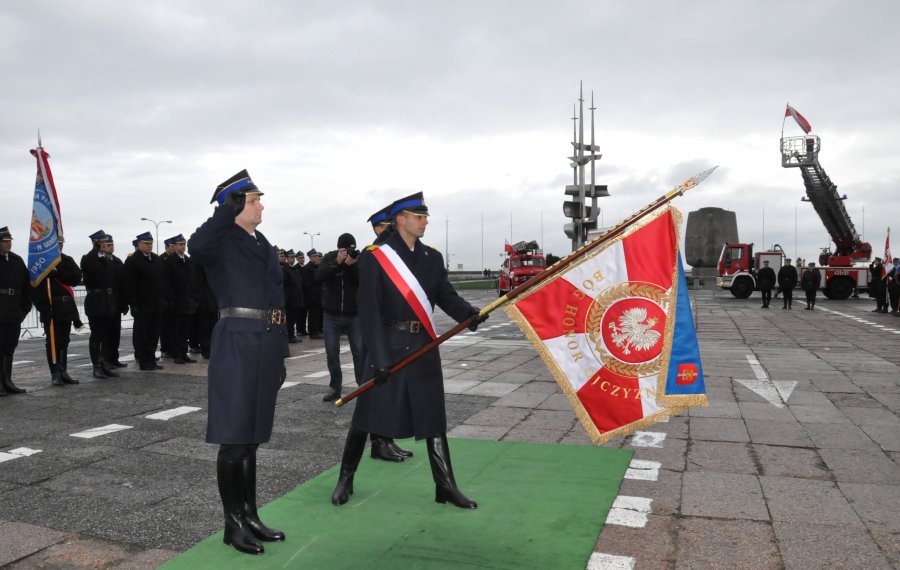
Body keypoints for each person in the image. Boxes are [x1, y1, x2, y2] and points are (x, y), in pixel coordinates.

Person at [331, 192, 487, 509]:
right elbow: (370, 311)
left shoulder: (431, 257)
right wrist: (379, 358)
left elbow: (445, 294)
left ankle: (445, 486)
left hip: (423, 346)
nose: (425, 221)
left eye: (425, 216)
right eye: (419, 216)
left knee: (433, 416)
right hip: (386, 345)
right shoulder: (377, 258)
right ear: (401, 219)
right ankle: (345, 478)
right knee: (366, 415)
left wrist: (468, 313)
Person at [188, 169, 288, 556]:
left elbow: (277, 300)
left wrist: (280, 352)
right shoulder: (221, 240)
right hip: (237, 341)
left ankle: (250, 515)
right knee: (234, 439)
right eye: (254, 200)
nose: (261, 205)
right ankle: (232, 524)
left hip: (265, 343)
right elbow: (198, 245)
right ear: (235, 206)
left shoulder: (260, 241)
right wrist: (223, 212)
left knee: (252, 438)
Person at [316, 233, 364, 402]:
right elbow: (318, 277)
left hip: (354, 315)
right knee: (331, 352)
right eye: (345, 249)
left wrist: (351, 266)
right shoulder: (329, 258)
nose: (348, 252)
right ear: (338, 248)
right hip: (331, 314)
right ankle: (335, 388)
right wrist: (337, 262)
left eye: (351, 249)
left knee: (359, 351)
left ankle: (362, 386)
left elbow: (361, 281)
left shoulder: (358, 258)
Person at [32, 236, 84, 386]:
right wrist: (43, 307)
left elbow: (75, 277)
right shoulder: (42, 262)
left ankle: (63, 370)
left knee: (64, 340)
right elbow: (35, 287)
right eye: (57, 243)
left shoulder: (67, 260)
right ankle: (55, 373)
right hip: (51, 307)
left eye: (61, 243)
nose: (60, 246)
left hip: (66, 307)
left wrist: (58, 272)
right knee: (53, 342)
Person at [81, 230, 125, 378]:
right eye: (103, 241)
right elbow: (92, 270)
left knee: (105, 335)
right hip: (96, 302)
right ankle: (96, 366)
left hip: (108, 302)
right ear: (96, 243)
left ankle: (104, 363)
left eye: (106, 241)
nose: (106, 244)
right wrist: (96, 250)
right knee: (96, 336)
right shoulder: (88, 258)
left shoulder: (109, 260)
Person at [123, 232, 166, 370]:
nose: (150, 246)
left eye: (151, 243)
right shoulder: (133, 260)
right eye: (147, 244)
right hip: (142, 304)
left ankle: (151, 359)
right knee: (142, 334)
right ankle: (143, 360)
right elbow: (129, 284)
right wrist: (133, 303)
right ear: (139, 244)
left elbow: (160, 281)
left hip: (156, 303)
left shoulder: (156, 259)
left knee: (154, 333)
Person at [0, 226, 32, 396]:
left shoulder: (17, 260)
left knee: (10, 347)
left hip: (14, 312)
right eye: (5, 241)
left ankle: (8, 381)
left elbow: (27, 286)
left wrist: (24, 308)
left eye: (10, 241)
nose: (9, 244)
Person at [162, 234, 198, 364]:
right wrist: (170, 300)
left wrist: (193, 298)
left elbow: (192, 282)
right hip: (176, 302)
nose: (183, 246)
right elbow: (167, 283)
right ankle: (176, 353)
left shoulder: (187, 261)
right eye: (180, 244)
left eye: (184, 244)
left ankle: (184, 352)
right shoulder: (170, 262)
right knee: (175, 329)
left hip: (187, 301)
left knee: (185, 329)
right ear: (175, 246)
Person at [281, 249, 304, 344]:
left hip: (295, 297)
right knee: (289, 319)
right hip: (289, 298)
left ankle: (291, 335)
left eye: (294, 257)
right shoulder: (285, 269)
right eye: (291, 257)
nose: (293, 259)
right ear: (287, 258)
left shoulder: (294, 269)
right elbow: (285, 285)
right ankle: (290, 336)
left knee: (293, 318)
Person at [303, 249, 324, 339]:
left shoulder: (317, 267)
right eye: (314, 257)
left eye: (317, 256)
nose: (316, 258)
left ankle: (318, 330)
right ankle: (313, 332)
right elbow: (308, 284)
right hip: (312, 296)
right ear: (310, 257)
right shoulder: (307, 268)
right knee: (312, 315)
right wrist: (313, 296)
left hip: (318, 295)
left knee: (318, 314)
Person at [293, 250, 308, 336]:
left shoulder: (305, 267)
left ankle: (303, 330)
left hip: (305, 294)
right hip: (299, 294)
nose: (302, 259)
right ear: (297, 259)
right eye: (300, 258)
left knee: (304, 313)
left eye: (303, 258)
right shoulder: (296, 268)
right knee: (299, 313)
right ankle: (299, 330)